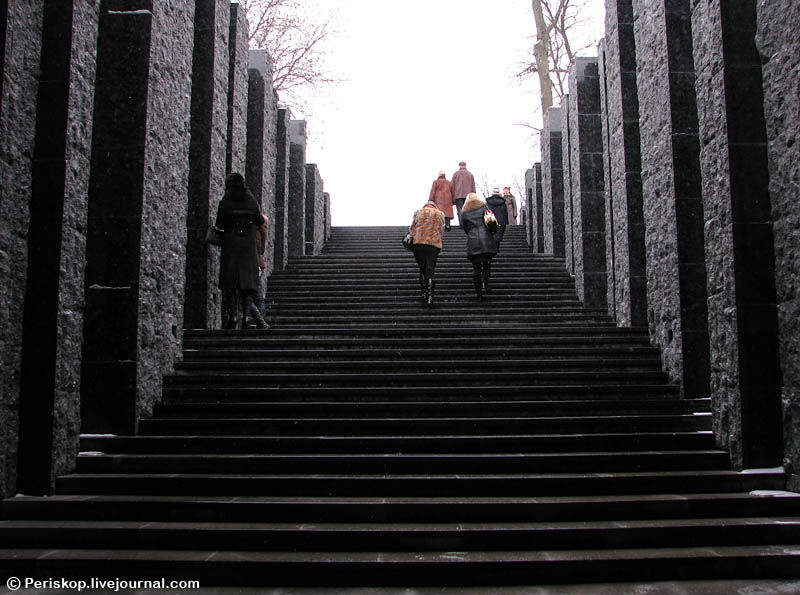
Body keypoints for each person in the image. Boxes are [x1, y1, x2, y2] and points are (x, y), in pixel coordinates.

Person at [215, 172, 269, 330]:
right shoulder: (251, 200)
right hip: (247, 244)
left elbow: (220, 224)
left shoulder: (225, 201)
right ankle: (245, 317)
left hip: (231, 243)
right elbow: (259, 221)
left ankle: (232, 317)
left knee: (230, 284)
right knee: (248, 285)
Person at [408, 200, 445, 308]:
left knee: (422, 268)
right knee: (430, 270)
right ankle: (430, 297)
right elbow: (441, 230)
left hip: (418, 243)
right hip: (433, 244)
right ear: (435, 206)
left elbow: (412, 228)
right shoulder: (440, 214)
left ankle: (423, 293)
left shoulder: (418, 212)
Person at [461, 192, 497, 301]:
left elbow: (465, 227)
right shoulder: (483, 206)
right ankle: (486, 284)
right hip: (486, 240)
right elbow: (490, 219)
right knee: (486, 265)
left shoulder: (464, 212)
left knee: (476, 269)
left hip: (473, 242)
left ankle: (479, 294)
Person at [451, 161, 476, 227]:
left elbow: (452, 185)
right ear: (465, 165)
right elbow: (473, 186)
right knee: (468, 210)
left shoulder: (455, 174)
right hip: (469, 196)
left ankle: (461, 223)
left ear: (459, 165)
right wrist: (474, 196)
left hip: (458, 195)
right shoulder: (470, 174)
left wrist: (452, 196)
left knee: (459, 209)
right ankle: (467, 224)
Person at [254, 213, 269, 316]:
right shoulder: (261, 231)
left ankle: (259, 316)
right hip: (258, 263)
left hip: (254, 263)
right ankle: (260, 315)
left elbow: (260, 248)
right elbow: (261, 249)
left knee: (254, 292)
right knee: (257, 291)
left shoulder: (256, 231)